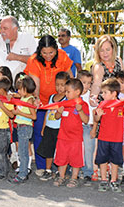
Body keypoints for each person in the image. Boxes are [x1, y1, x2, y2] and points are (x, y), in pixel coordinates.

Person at [25, 35, 73, 172]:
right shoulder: (33, 60)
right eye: (44, 53)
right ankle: (42, 167)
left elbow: (70, 77)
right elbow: (35, 83)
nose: (48, 56)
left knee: (63, 134)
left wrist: (70, 98)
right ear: (39, 51)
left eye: (51, 52)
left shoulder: (63, 56)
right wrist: (37, 98)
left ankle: (63, 166)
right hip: (43, 105)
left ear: (56, 50)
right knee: (41, 133)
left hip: (61, 102)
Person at [0, 16, 37, 92]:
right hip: (1, 88)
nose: (2, 32)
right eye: (1, 28)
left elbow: (36, 61)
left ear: (15, 29)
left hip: (21, 88)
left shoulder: (27, 39)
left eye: (5, 29)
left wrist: (17, 57)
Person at [52, 78, 89, 188]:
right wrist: (59, 112)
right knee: (61, 158)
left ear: (77, 92)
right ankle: (61, 176)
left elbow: (86, 120)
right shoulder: (64, 103)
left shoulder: (83, 104)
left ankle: (74, 178)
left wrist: (80, 110)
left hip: (76, 138)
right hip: (63, 136)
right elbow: (56, 117)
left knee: (75, 159)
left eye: (68, 91)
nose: (66, 94)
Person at [36, 72, 68, 181]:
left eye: (62, 85)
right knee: (48, 150)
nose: (59, 87)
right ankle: (48, 170)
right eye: (57, 84)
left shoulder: (67, 99)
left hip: (60, 129)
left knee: (59, 150)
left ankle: (60, 171)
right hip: (49, 127)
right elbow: (47, 112)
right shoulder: (52, 97)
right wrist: (44, 126)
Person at [93, 79, 124, 192]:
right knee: (102, 159)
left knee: (115, 161)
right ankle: (104, 180)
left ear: (114, 93)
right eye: (102, 92)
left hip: (117, 138)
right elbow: (96, 119)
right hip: (103, 137)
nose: (102, 94)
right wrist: (98, 116)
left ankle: (114, 180)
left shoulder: (121, 104)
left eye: (105, 92)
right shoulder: (102, 104)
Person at [9, 75, 37, 184]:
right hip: (21, 127)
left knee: (23, 152)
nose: (18, 91)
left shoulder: (29, 100)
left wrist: (19, 113)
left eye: (20, 89)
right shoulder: (24, 97)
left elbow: (33, 116)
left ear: (26, 89)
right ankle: (22, 171)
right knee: (21, 151)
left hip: (25, 127)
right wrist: (12, 95)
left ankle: (22, 174)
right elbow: (16, 95)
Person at [89, 35, 123, 104]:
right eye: (102, 50)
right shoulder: (98, 66)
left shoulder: (118, 61)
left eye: (108, 49)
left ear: (113, 49)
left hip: (117, 100)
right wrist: (93, 98)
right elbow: (96, 85)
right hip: (103, 102)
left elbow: (123, 80)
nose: (105, 53)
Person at [79, 70, 97, 183]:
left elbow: (95, 114)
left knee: (88, 150)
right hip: (75, 127)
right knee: (76, 149)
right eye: (84, 82)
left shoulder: (91, 97)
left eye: (89, 83)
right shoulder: (73, 95)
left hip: (88, 126)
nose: (87, 85)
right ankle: (75, 169)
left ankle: (88, 172)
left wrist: (94, 128)